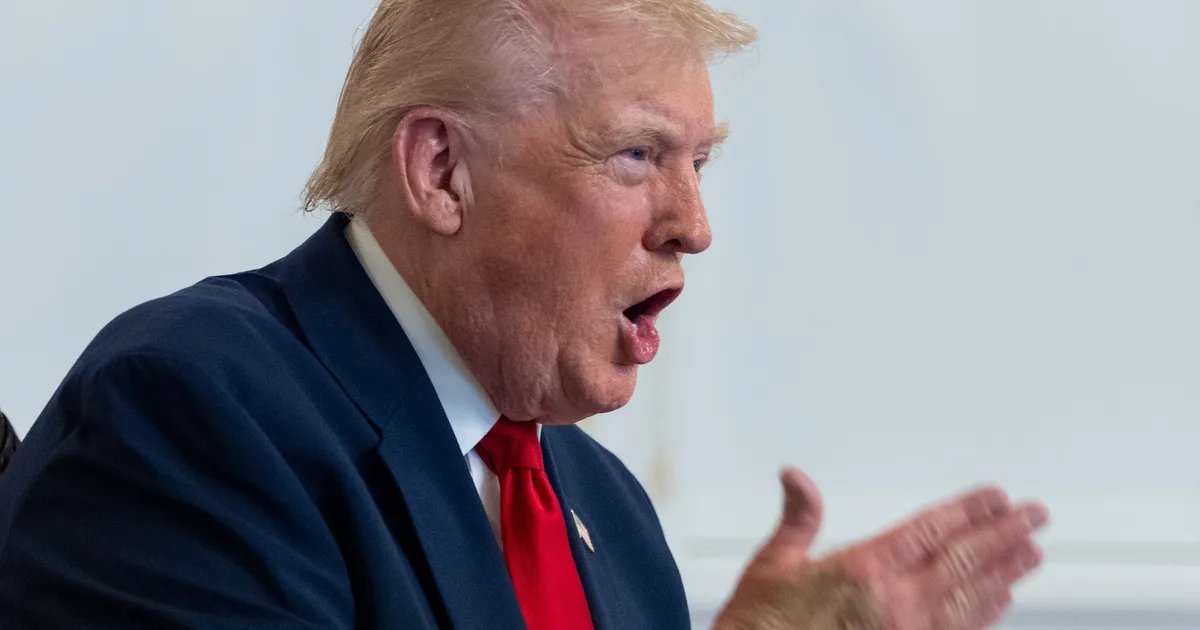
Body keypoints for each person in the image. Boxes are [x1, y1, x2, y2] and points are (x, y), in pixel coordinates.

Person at [0, 1, 1048, 628]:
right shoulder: (193, 416)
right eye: (636, 154)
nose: (692, 224)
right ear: (442, 171)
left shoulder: (612, 518)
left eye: (701, 161)